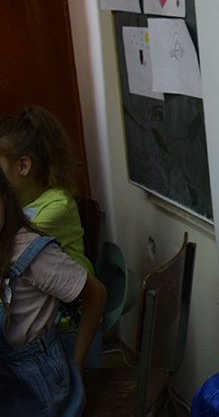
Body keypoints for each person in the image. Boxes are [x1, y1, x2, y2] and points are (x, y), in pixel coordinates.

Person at [0, 170, 106, 416]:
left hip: (36, 381)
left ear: (6, 196)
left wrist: (77, 362)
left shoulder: (31, 253)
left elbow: (96, 293)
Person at [0, 106, 92, 275]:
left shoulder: (58, 206)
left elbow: (13, 247)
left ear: (22, 166)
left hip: (72, 287)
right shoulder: (13, 201)